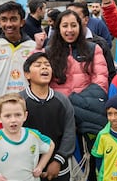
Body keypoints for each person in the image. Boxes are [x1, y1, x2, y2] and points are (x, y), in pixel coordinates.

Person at [46, 10, 108, 181]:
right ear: (58, 28)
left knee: (89, 166)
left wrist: (73, 103)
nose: (69, 30)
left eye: (73, 25)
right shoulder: (49, 52)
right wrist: (65, 107)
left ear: (81, 27)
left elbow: (101, 82)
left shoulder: (93, 49)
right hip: (60, 118)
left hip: (87, 116)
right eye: (64, 26)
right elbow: (46, 85)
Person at [0, 93, 55, 181]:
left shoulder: (33, 135)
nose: (13, 120)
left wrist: (40, 167)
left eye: (18, 115)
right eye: (7, 116)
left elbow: (51, 144)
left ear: (25, 116)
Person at [20, 52, 76, 181]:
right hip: (27, 170)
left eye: (47, 65)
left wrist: (58, 160)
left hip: (58, 169)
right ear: (27, 74)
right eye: (38, 65)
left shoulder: (62, 100)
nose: (44, 67)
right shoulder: (19, 101)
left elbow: (69, 132)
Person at [0, 1, 45, 106]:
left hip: (27, 107)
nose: (9, 24)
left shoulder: (33, 47)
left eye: (13, 19)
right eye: (4, 19)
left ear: (22, 22)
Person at [66, 2, 116, 83]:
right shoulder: (56, 44)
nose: (71, 20)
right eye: (67, 17)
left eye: (76, 17)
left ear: (86, 20)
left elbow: (110, 75)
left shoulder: (100, 44)